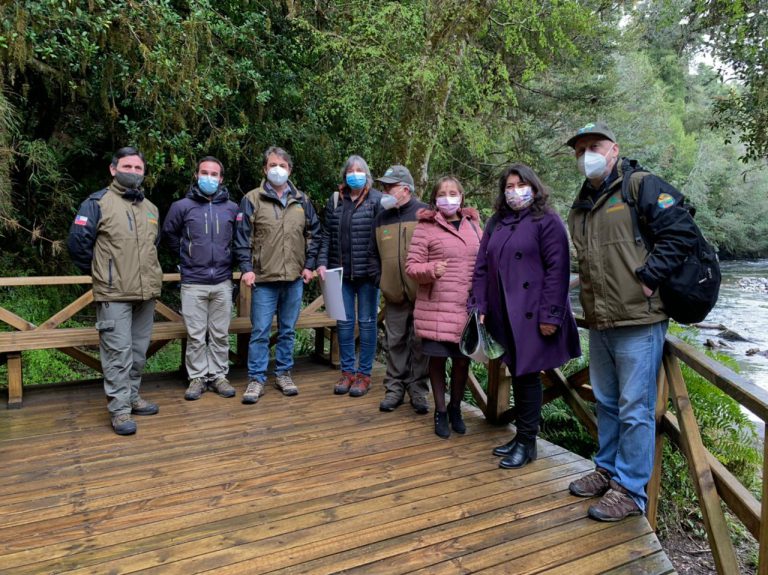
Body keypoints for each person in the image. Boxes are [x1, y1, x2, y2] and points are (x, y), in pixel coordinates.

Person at [565, 121, 698, 521]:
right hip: (601, 319)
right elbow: (588, 261)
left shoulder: (642, 186)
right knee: (606, 401)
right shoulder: (582, 204)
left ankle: (630, 489)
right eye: (580, 148)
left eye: (595, 145)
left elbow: (682, 233)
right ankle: (606, 470)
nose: (587, 153)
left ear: (615, 149)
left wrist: (649, 277)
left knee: (635, 407)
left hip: (640, 320)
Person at [471, 164, 580, 467]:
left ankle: (527, 442)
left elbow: (559, 273)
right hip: (503, 313)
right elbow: (481, 265)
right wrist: (478, 304)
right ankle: (521, 436)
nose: (514, 190)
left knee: (528, 376)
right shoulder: (497, 221)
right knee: (517, 374)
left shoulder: (548, 221)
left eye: (520, 184)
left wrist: (551, 316)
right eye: (509, 185)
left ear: (533, 186)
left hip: (534, 314)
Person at [67, 146, 162, 435]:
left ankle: (132, 397)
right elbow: (78, 245)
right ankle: (119, 410)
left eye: (138, 168)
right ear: (113, 169)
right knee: (117, 353)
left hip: (145, 294)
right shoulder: (97, 203)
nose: (133, 172)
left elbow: (153, 247)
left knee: (137, 351)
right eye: (127, 166)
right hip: (114, 294)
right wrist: (102, 275)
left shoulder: (151, 208)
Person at [234, 146, 321, 404]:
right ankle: (256, 379)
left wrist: (309, 265)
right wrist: (246, 269)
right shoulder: (252, 199)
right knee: (260, 331)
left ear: (290, 170)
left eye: (282, 165)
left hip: (294, 278)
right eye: (273, 165)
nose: (278, 170)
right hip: (263, 279)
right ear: (264, 169)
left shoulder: (302, 200)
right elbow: (241, 238)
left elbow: (313, 233)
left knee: (287, 330)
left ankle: (284, 373)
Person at [406, 176, 481, 438]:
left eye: (453, 193)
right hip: (436, 306)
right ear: (435, 199)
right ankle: (440, 411)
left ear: (461, 197)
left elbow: (483, 263)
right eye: (443, 193)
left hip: (465, 307)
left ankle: (456, 408)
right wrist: (430, 269)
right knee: (436, 360)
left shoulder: (473, 226)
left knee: (462, 362)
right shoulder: (425, 227)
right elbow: (412, 267)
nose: (448, 198)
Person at [163, 156, 238, 401]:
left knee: (220, 333)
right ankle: (197, 377)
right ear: (196, 175)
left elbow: (240, 240)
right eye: (204, 172)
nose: (209, 177)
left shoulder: (232, 208)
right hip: (193, 281)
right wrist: (187, 256)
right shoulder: (182, 206)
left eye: (214, 174)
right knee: (195, 335)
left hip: (222, 282)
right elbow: (169, 235)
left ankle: (218, 375)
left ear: (221, 178)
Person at [316, 155, 382, 397]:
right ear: (345, 174)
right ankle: (347, 373)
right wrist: (321, 263)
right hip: (337, 274)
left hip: (368, 275)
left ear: (367, 174)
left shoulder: (377, 200)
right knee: (342, 324)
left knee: (366, 323)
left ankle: (364, 375)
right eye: (351, 170)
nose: (355, 174)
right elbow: (325, 235)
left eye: (360, 170)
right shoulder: (335, 200)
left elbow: (384, 236)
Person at [369, 165, 430, 414]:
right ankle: (394, 389)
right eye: (383, 186)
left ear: (405, 189)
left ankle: (418, 390)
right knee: (394, 343)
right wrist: (380, 280)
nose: (384, 191)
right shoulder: (381, 217)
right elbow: (372, 254)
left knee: (420, 343)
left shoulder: (426, 213)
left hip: (422, 295)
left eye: (389, 187)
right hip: (393, 295)